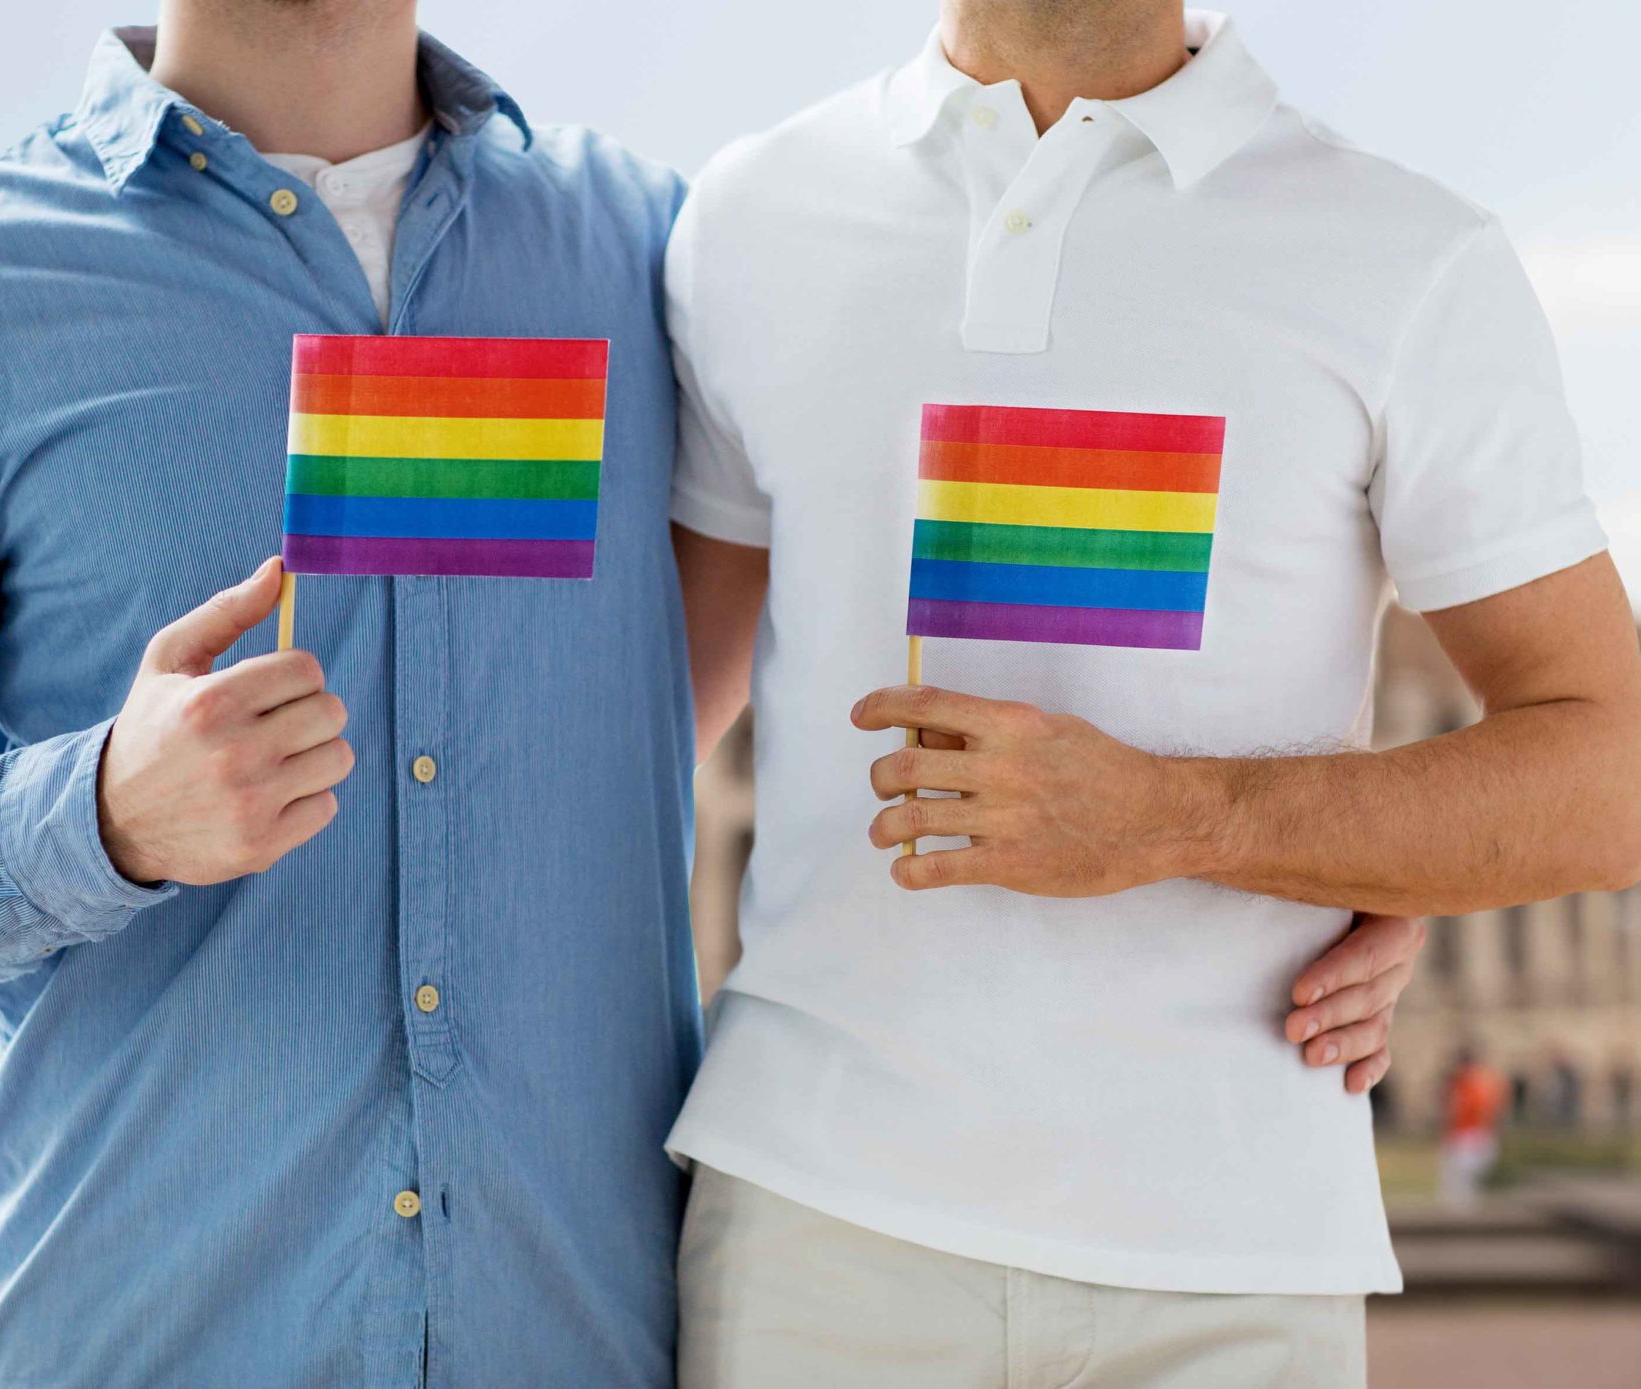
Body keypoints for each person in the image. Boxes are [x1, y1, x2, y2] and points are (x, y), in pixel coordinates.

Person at [0, 3, 1421, 1383]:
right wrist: (90, 812)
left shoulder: (660, 251)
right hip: (155, 1324)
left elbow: (929, 575)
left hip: (581, 1330)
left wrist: (1301, 853)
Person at [666, 3, 1641, 1385]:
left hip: (1233, 1267)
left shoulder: (1407, 253)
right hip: (814, 1236)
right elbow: (642, 726)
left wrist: (1196, 821)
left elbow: (1611, 778)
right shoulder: (749, 216)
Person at [1439, 1046, 1507, 1210]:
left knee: (1466, 1186)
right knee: (1458, 1186)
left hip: (1470, 1137)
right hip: (1467, 1135)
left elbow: (1479, 1113)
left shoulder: (1476, 1085)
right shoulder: (1466, 1083)